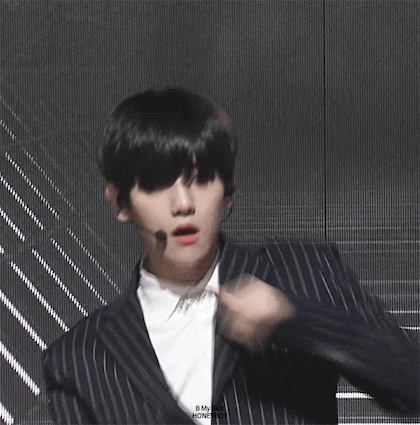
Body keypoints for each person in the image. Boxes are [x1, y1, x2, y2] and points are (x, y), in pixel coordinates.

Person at [42, 88, 419, 425]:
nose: (183, 204)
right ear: (120, 202)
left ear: (228, 194)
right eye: (157, 183)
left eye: (202, 179)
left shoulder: (302, 271)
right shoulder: (77, 358)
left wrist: (296, 320)